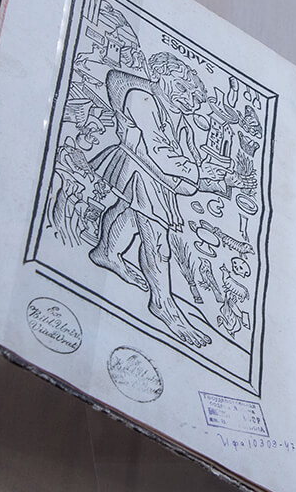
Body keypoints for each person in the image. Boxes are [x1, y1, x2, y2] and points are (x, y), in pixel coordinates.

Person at [89, 52, 212, 347]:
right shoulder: (142, 100)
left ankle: (106, 252)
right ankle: (162, 304)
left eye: (193, 93)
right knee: (157, 241)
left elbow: (185, 149)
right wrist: (196, 173)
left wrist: (201, 169)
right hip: (141, 170)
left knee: (129, 213)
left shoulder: (175, 111)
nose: (189, 98)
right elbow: (159, 152)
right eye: (181, 88)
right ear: (159, 78)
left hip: (156, 176)